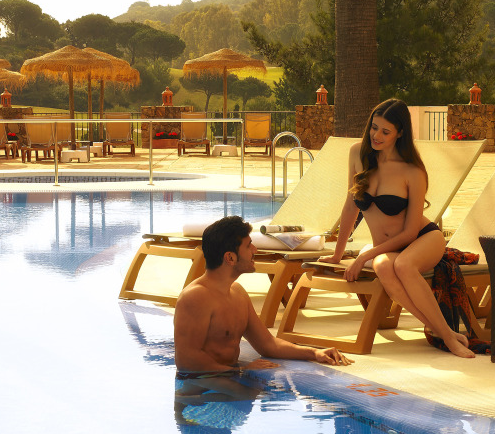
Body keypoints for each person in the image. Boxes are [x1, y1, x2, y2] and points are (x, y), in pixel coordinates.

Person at [320, 98, 476, 358]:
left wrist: (363, 256)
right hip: (387, 249)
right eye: (374, 127)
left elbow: (410, 233)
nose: (376, 136)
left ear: (400, 133)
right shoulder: (357, 154)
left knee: (403, 265)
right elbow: (350, 206)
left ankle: (449, 339)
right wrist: (338, 254)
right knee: (384, 267)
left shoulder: (412, 171)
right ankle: (443, 331)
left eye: (385, 131)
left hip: (423, 239)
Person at [174, 215, 350, 397]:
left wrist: (314, 353)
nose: (255, 250)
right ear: (230, 257)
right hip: (198, 391)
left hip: (227, 378)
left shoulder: (237, 293)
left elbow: (268, 344)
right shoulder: (196, 297)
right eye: (248, 245)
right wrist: (240, 371)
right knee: (259, 394)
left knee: (278, 393)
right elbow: (186, 361)